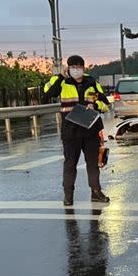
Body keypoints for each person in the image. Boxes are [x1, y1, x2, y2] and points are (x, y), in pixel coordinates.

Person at [44, 55, 110, 206]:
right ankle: (68, 195)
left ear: (83, 68)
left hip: (90, 130)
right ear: (68, 68)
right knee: (70, 164)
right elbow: (48, 93)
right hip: (71, 131)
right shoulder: (61, 81)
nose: (76, 70)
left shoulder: (91, 82)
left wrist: (96, 105)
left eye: (79, 67)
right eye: (73, 67)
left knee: (93, 163)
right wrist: (61, 77)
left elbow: (105, 103)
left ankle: (96, 191)